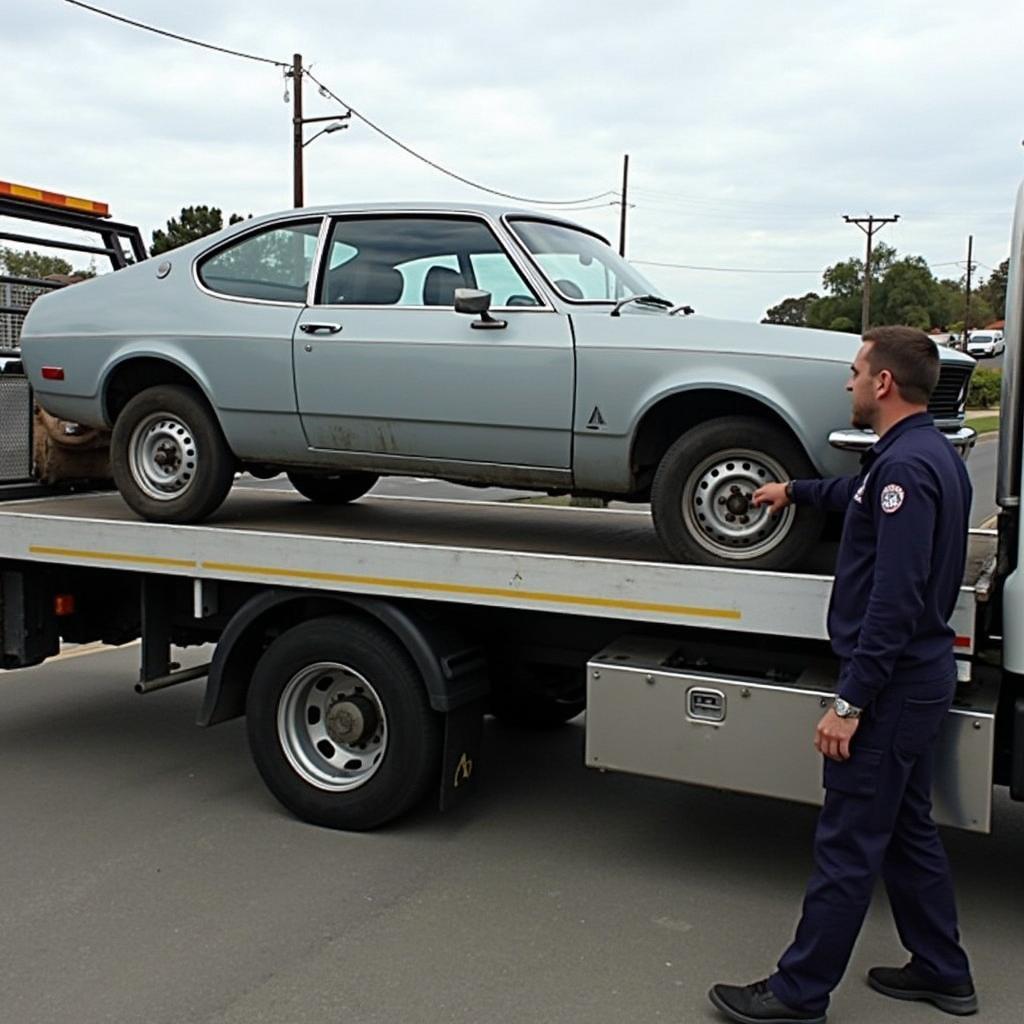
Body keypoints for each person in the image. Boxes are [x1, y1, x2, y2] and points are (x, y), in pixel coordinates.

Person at [708, 326, 977, 1023]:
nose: (850, 382)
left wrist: (851, 701)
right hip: (917, 680)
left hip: (890, 689)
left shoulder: (906, 471)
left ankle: (798, 994)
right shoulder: (922, 455)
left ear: (884, 383)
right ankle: (943, 971)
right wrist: (793, 490)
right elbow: (856, 495)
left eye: (857, 371)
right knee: (906, 830)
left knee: (849, 842)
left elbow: (894, 598)